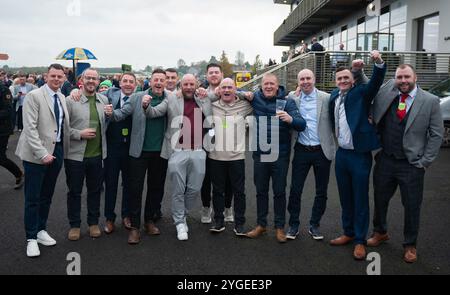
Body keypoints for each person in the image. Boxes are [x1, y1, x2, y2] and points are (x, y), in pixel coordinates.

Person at [354, 62, 444, 263]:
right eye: (400, 77)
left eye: (407, 77)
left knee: (412, 206)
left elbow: (437, 134)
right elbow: (371, 87)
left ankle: (410, 244)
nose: (403, 81)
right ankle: (380, 232)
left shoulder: (430, 101)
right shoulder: (389, 90)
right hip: (385, 159)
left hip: (411, 164)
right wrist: (358, 72)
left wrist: (425, 161)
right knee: (380, 199)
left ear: (415, 78)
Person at [328, 50, 386, 260]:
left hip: (359, 155)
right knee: (345, 197)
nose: (343, 81)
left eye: (346, 78)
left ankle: (360, 240)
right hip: (342, 155)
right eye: (340, 78)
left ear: (352, 80)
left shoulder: (361, 93)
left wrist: (378, 62)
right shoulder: (334, 96)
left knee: (360, 197)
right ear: (335, 82)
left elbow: (376, 82)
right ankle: (348, 232)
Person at [144, 74, 212, 241]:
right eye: (186, 84)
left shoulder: (204, 98)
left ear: (197, 85)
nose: (189, 87)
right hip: (177, 151)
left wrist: (246, 94)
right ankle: (180, 222)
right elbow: (154, 112)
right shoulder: (172, 99)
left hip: (198, 151)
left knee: (194, 188)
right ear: (181, 85)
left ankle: (182, 213)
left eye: (192, 84)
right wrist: (145, 106)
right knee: (178, 189)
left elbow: (228, 91)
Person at [106, 69, 169, 244]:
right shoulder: (136, 97)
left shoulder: (169, 98)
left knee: (155, 188)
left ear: (166, 82)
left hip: (160, 151)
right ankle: (134, 227)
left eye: (161, 80)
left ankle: (149, 220)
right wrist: (110, 113)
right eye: (156, 79)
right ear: (150, 81)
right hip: (138, 152)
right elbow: (121, 114)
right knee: (135, 189)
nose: (158, 83)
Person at [15, 64, 70, 257]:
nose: (56, 79)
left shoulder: (62, 97)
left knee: (47, 195)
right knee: (32, 198)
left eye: (60, 76)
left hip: (56, 152)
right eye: (53, 76)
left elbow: (62, 128)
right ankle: (31, 238)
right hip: (36, 156)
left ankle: (40, 230)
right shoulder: (34, 96)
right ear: (46, 76)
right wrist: (42, 153)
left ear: (64, 78)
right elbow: (29, 128)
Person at [246, 73, 306, 243]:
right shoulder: (255, 97)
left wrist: (291, 119)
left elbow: (301, 124)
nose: (269, 87)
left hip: (280, 155)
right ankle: (261, 224)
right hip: (260, 153)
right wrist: (245, 94)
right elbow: (234, 91)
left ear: (277, 85)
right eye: (266, 84)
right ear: (261, 85)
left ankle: (279, 227)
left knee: (279, 191)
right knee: (260, 191)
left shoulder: (287, 102)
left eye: (272, 84)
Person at [286, 69, 336, 241]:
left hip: (322, 151)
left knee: (321, 191)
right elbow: (278, 98)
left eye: (308, 78)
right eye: (302, 79)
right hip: (301, 150)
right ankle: (293, 224)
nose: (305, 81)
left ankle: (314, 224)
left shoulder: (326, 98)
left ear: (314, 79)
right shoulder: (293, 98)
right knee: (295, 190)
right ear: (298, 82)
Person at [64, 68, 108, 241]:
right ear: (81, 79)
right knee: (74, 192)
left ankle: (93, 223)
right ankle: (74, 225)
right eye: (88, 78)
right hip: (75, 156)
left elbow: (106, 125)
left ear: (98, 81)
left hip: (96, 155)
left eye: (94, 79)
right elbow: (62, 128)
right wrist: (79, 134)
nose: (91, 81)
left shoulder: (103, 100)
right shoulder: (71, 100)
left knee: (95, 191)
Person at [208, 78, 253, 235]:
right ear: (219, 90)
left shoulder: (246, 105)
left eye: (230, 87)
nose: (226, 90)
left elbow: (264, 99)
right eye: (223, 87)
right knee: (218, 191)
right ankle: (218, 221)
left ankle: (239, 223)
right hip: (216, 156)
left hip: (237, 157)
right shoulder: (211, 105)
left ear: (235, 90)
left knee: (239, 191)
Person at [200, 63, 234, 224]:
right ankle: (206, 207)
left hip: (227, 138)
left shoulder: (230, 90)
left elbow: (246, 95)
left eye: (216, 72)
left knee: (228, 177)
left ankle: (227, 207)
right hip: (206, 138)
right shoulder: (201, 94)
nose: (213, 75)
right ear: (206, 76)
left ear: (221, 74)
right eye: (210, 72)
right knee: (205, 176)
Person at [0, 78, 24, 189]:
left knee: (1, 158)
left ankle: (18, 174)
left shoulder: (4, 90)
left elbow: (8, 110)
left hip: (2, 130)